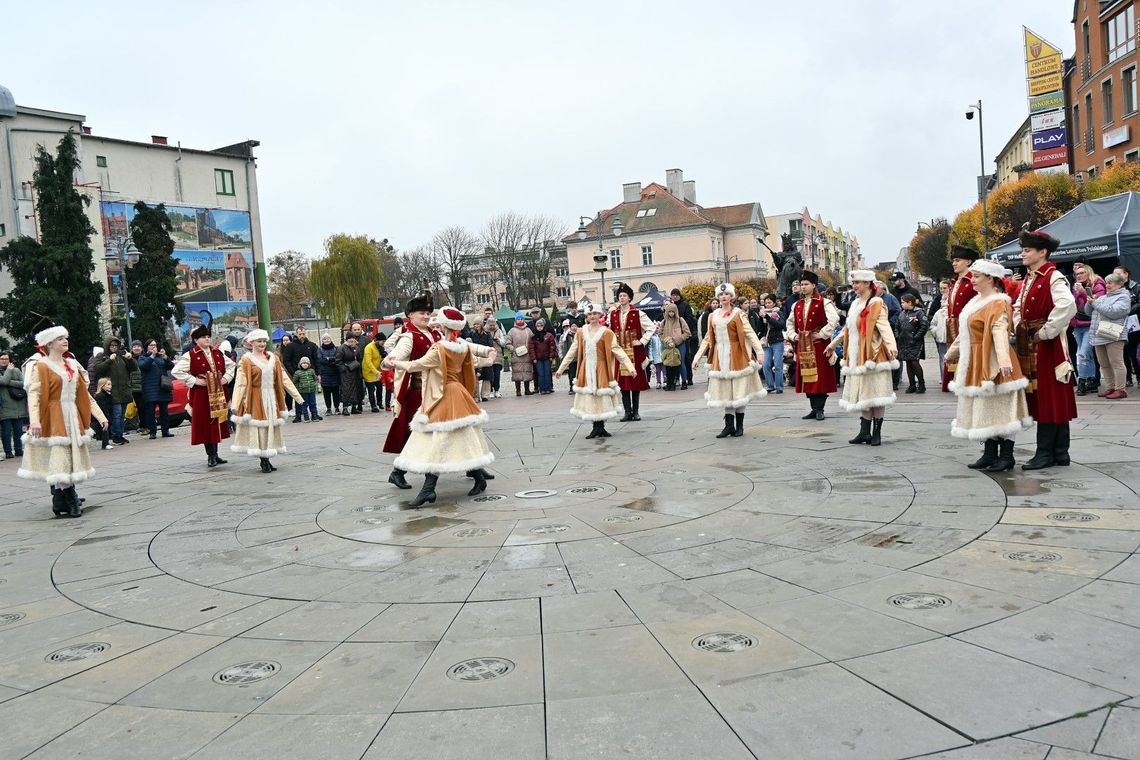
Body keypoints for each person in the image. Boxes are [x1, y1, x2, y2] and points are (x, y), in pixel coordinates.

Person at [392, 307, 497, 506]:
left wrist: (395, 363)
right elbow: (474, 362)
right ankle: (478, 477)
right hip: (459, 393)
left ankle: (429, 488)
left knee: (441, 440)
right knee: (460, 437)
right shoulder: (462, 346)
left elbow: (417, 365)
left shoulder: (439, 348)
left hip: (444, 396)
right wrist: (489, 359)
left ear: (442, 325)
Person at [945, 259, 1031, 472]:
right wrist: (951, 353)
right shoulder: (976, 302)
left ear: (991, 279)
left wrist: (1003, 360)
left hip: (992, 358)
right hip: (976, 358)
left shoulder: (998, 303)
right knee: (985, 407)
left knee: (1003, 407)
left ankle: (1007, 455)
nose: (972, 280)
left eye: (976, 276)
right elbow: (966, 332)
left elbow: (999, 331)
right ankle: (990, 453)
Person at [18, 325, 109, 518]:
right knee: (60, 458)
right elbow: (34, 395)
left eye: (65, 337)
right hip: (53, 414)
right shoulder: (41, 366)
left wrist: (100, 417)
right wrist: (34, 421)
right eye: (60, 338)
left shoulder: (73, 365)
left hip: (72, 414)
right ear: (49, 344)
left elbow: (84, 395)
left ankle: (61, 500)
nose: (65, 341)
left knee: (70, 457)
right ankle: (69, 498)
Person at [1014, 229, 1078, 470]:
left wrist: (1046, 332)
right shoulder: (1031, 277)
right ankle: (1060, 453)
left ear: (1043, 252)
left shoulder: (1053, 276)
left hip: (1049, 347)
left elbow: (1067, 305)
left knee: (1050, 396)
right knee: (1049, 396)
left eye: (1027, 250)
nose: (1023, 254)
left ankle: (1046, 453)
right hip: (1034, 344)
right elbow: (1020, 306)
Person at [826, 270, 899, 446]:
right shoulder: (855, 303)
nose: (854, 286)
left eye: (857, 282)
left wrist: (891, 346)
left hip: (873, 355)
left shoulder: (876, 302)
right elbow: (848, 329)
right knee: (865, 394)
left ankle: (877, 433)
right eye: (854, 283)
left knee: (877, 393)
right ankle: (864, 432)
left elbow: (884, 326)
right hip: (857, 355)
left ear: (867, 284)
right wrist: (833, 344)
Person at [691, 283, 767, 438]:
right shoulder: (713, 316)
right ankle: (728, 426)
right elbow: (707, 338)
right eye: (720, 295)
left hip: (737, 355)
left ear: (732, 297)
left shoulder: (738, 314)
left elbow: (750, 333)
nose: (723, 297)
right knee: (725, 391)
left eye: (726, 295)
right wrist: (697, 357)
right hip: (719, 356)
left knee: (738, 391)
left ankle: (739, 426)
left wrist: (759, 351)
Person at [382, 292, 441, 489]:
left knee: (449, 429)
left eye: (428, 313)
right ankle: (409, 475)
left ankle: (474, 467)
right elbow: (398, 352)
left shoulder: (435, 333)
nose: (426, 316)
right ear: (411, 316)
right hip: (419, 394)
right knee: (420, 436)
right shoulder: (409, 336)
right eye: (421, 313)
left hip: (438, 392)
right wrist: (391, 360)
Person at [555, 303, 636, 438]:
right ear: (587, 316)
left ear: (600, 315)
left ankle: (601, 426)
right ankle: (595, 426)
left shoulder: (607, 332)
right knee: (590, 395)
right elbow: (572, 351)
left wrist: (630, 367)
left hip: (601, 367)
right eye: (589, 314)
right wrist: (561, 368)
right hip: (586, 367)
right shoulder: (581, 332)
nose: (592, 316)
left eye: (594, 314)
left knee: (600, 395)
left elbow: (617, 350)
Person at [230, 329, 304, 473]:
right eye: (259, 341)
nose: (262, 344)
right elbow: (240, 383)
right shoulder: (246, 360)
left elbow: (284, 378)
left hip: (272, 397)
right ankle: (263, 459)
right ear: (251, 343)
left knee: (270, 427)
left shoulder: (273, 358)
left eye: (264, 341)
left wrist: (297, 396)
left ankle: (267, 456)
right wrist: (236, 403)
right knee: (260, 428)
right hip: (256, 397)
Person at [172, 324, 236, 468]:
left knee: (217, 422)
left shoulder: (217, 352)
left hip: (218, 392)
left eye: (208, 337)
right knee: (206, 424)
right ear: (196, 340)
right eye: (203, 337)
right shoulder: (191, 355)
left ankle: (216, 453)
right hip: (202, 395)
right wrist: (195, 381)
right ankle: (210, 455)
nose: (207, 339)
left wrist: (226, 378)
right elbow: (177, 371)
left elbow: (231, 365)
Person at [785, 271, 839, 420]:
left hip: (819, 345)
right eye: (801, 284)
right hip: (803, 345)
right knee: (807, 378)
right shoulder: (797, 304)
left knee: (819, 378)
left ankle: (820, 408)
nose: (803, 287)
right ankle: (814, 408)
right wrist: (793, 335)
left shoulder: (824, 302)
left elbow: (834, 319)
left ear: (814, 285)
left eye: (806, 284)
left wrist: (821, 334)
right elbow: (789, 322)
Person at [610, 282, 656, 421]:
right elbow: (609, 331)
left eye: (624, 295)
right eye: (620, 295)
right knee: (623, 383)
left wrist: (641, 341)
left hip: (634, 352)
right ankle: (627, 412)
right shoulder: (613, 314)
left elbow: (651, 328)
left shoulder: (638, 313)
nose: (622, 298)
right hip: (620, 352)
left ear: (629, 298)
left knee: (634, 382)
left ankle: (636, 411)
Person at [1087, 273, 1132, 399]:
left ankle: (1120, 389)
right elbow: (1088, 312)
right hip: (1099, 334)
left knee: (1116, 362)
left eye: (1110, 283)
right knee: (1104, 363)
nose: (1107, 285)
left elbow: (1113, 312)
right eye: (1106, 283)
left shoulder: (1124, 297)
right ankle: (1110, 387)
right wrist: (1089, 301)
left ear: (1119, 284)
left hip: (1114, 335)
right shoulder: (1102, 297)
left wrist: (1095, 303)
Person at [943, 246, 979, 391]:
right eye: (953, 260)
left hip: (965, 324)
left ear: (969, 262)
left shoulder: (972, 281)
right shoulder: (955, 281)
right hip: (952, 324)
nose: (954, 263)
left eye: (958, 260)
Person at [94, 336, 138, 445]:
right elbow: (98, 369)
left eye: (116, 345)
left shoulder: (121, 355)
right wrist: (109, 360)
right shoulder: (102, 356)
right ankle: (116, 435)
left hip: (124, 390)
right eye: (112, 345)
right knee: (116, 414)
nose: (114, 347)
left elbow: (134, 368)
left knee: (122, 415)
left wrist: (130, 358)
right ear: (107, 346)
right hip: (111, 391)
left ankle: (120, 435)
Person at [1072, 262, 1106, 396]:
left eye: (1082, 273)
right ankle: (1091, 381)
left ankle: (1081, 381)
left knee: (1082, 354)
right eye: (1077, 274)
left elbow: (1097, 304)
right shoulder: (1077, 286)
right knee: (1087, 355)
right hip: (1077, 324)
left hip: (1090, 324)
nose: (1079, 275)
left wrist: (1082, 293)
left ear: (1088, 273)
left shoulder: (1097, 284)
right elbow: (1074, 304)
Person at [137, 339, 174, 439]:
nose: (153, 347)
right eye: (151, 345)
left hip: (162, 388)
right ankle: (152, 432)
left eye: (155, 345)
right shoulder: (142, 357)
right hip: (149, 388)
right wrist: (152, 356)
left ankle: (165, 431)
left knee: (164, 411)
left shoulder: (160, 357)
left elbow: (171, 366)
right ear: (146, 347)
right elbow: (144, 366)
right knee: (150, 412)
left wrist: (165, 357)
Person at [896, 294, 929, 393]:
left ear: (909, 302)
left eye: (903, 302)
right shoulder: (902, 313)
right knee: (908, 363)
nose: (901, 304)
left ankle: (921, 384)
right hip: (904, 342)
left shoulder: (919, 312)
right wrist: (898, 336)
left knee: (915, 362)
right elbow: (897, 326)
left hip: (915, 342)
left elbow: (924, 326)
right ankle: (912, 385)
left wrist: (916, 337)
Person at [1113, 264, 1140, 386]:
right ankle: (1127, 378)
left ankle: (1139, 377)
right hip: (1119, 324)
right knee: (1122, 353)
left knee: (1134, 352)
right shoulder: (1114, 288)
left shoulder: (1136, 287)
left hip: (1134, 323)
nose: (1116, 276)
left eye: (1119, 273)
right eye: (1114, 274)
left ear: (1126, 274)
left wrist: (1127, 310)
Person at [0, 350, 28, 461]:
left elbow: (23, 383)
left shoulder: (16, 370)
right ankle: (8, 452)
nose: (4, 361)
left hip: (18, 405)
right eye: (2, 359)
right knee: (6, 431)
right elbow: (3, 382)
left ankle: (18, 450)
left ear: (9, 360)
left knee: (18, 430)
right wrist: (8, 372)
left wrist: (9, 381)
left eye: (6, 359)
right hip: (4, 406)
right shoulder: (10, 370)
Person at [659, 301, 691, 392]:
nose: (671, 313)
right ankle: (671, 382)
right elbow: (660, 333)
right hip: (667, 346)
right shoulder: (664, 322)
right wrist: (664, 341)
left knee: (681, 363)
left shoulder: (681, 320)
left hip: (679, 345)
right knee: (668, 364)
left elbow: (687, 332)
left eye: (673, 312)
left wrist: (679, 340)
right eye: (669, 311)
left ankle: (684, 381)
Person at [336, 325, 366, 415]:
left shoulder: (356, 348)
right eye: (350, 339)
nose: (352, 341)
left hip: (355, 371)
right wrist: (344, 369)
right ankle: (345, 408)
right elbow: (338, 361)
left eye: (353, 339)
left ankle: (354, 407)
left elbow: (360, 358)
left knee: (355, 389)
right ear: (347, 339)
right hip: (346, 373)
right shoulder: (341, 348)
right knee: (346, 390)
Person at [759, 295, 785, 394]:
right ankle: (770, 385)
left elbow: (780, 325)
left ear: (774, 303)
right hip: (767, 343)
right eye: (766, 303)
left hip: (778, 341)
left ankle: (779, 386)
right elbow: (760, 328)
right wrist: (761, 319)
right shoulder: (762, 313)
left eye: (769, 302)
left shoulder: (778, 313)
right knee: (765, 365)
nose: (767, 305)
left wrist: (767, 317)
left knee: (778, 365)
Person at [506, 313, 535, 396]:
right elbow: (508, 342)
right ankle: (518, 390)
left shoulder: (528, 330)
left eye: (522, 319)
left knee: (527, 371)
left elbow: (532, 341)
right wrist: (513, 349)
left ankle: (527, 390)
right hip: (516, 355)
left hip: (527, 355)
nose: (520, 320)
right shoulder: (512, 331)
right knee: (517, 373)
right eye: (518, 319)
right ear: (515, 320)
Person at [529, 318, 557, 394]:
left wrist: (551, 356)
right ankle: (542, 389)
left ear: (544, 326)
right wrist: (533, 358)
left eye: (541, 325)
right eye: (538, 326)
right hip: (538, 358)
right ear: (536, 327)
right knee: (540, 374)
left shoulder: (549, 335)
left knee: (547, 373)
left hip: (547, 357)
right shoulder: (533, 337)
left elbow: (552, 346)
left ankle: (548, 388)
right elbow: (531, 348)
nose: (539, 327)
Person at [930, 280, 950, 381]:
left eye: (944, 288)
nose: (942, 290)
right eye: (940, 288)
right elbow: (932, 318)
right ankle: (943, 377)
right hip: (941, 336)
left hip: (952, 336)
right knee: (942, 357)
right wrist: (936, 332)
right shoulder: (938, 300)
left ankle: (953, 377)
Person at [317, 333, 341, 415]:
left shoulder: (336, 348)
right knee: (326, 393)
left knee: (336, 392)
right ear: (322, 341)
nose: (326, 340)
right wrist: (331, 361)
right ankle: (328, 408)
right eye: (324, 339)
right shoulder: (320, 349)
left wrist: (328, 359)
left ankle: (337, 408)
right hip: (325, 374)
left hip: (335, 373)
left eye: (328, 338)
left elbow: (337, 359)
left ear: (331, 339)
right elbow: (320, 360)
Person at [291, 356, 322, 421]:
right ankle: (306, 416)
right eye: (303, 363)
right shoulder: (297, 373)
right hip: (303, 392)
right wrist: (299, 387)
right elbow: (294, 382)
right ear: (300, 364)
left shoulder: (311, 371)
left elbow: (315, 378)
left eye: (306, 363)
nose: (305, 364)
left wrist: (315, 384)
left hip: (311, 391)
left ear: (309, 364)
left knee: (313, 404)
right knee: (304, 405)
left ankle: (314, 415)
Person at [362, 331, 384, 412]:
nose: (383, 343)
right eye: (382, 341)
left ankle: (379, 402)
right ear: (376, 340)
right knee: (371, 389)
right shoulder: (369, 347)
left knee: (379, 387)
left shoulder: (380, 347)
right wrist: (376, 371)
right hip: (369, 371)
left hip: (377, 371)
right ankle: (373, 406)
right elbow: (368, 362)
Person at [128, 340, 146, 435]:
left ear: (142, 348)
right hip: (134, 387)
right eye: (134, 346)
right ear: (132, 348)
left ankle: (146, 426)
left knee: (145, 407)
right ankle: (142, 426)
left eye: (138, 346)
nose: (136, 348)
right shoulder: (128, 358)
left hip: (145, 386)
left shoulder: (145, 357)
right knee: (139, 408)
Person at [558, 320, 579, 395]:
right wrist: (564, 357)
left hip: (579, 358)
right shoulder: (566, 336)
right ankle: (572, 387)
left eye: (575, 326)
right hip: (571, 359)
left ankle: (579, 387)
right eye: (572, 326)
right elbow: (564, 348)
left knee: (579, 373)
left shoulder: (580, 334)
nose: (574, 328)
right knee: (571, 374)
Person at [93, 378, 115, 449]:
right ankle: (105, 444)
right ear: (102, 385)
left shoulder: (108, 395)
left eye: (110, 384)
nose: (110, 386)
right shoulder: (100, 396)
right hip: (103, 414)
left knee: (106, 428)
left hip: (107, 413)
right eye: (108, 384)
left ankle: (106, 442)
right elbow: (103, 407)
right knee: (105, 428)